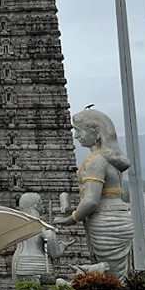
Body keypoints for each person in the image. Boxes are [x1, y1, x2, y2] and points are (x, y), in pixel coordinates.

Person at [55, 109, 135, 278]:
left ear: (96, 132)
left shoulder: (96, 162)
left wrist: (73, 218)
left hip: (106, 224)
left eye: (78, 130)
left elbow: (91, 200)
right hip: (118, 217)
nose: (76, 136)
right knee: (116, 275)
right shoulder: (110, 159)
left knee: (109, 275)